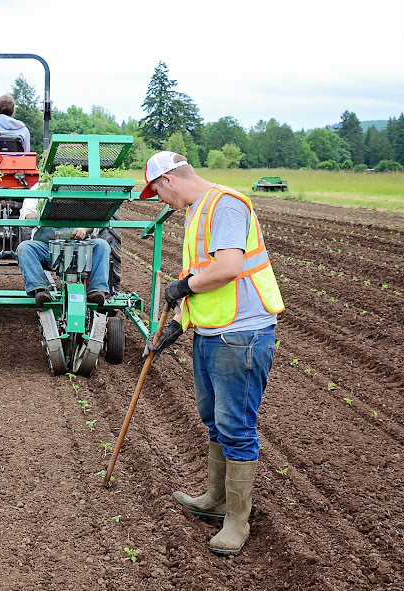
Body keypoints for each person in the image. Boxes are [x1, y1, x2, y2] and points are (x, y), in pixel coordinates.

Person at [141, 151, 284, 556]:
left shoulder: (226, 205)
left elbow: (227, 269)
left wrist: (182, 287)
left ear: (169, 180)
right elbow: (203, 277)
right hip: (210, 331)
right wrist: (177, 324)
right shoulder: (196, 211)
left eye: (156, 192)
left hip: (241, 334)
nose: (159, 201)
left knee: (236, 427)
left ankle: (237, 521)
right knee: (215, 421)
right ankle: (217, 499)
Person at [16, 197, 110, 307]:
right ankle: (40, 290)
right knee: (25, 248)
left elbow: (94, 220)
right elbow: (25, 216)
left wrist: (84, 229)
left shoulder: (81, 191)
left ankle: (96, 290)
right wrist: (35, 216)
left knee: (102, 245)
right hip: (47, 247)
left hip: (78, 246)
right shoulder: (38, 189)